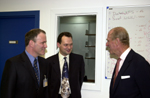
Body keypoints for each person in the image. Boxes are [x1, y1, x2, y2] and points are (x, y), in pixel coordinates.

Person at [0, 29, 48, 98]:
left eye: (45, 42)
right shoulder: (13, 63)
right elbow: (6, 93)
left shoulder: (44, 62)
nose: (45, 46)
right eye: (42, 43)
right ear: (31, 43)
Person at [106, 27, 150, 98]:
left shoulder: (140, 63)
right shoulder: (119, 62)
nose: (106, 44)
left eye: (108, 41)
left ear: (117, 41)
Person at [47, 32, 85, 98]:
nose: (69, 47)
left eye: (71, 44)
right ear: (58, 44)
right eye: (66, 45)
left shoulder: (79, 60)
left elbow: (80, 79)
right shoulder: (49, 61)